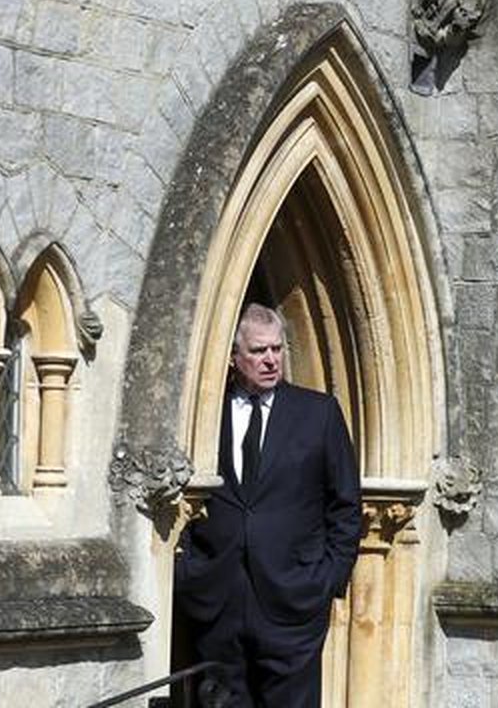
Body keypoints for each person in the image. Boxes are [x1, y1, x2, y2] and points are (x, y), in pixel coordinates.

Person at [173, 303, 362, 707]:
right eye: (259, 351)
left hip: (294, 604)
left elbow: (346, 506)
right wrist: (188, 570)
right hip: (217, 600)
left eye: (277, 349)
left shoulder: (319, 414)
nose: (271, 360)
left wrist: (327, 580)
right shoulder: (205, 414)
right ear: (233, 357)